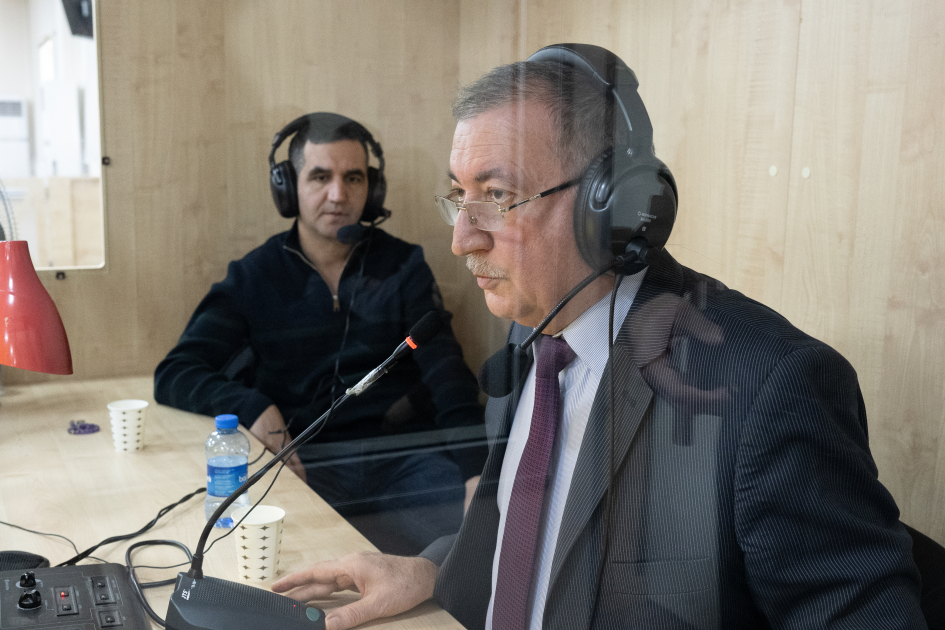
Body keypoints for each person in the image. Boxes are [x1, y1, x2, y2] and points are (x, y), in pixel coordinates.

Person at [270, 47, 927, 630]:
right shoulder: (536, 334)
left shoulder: (768, 388)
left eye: (496, 196)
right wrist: (432, 569)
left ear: (608, 203)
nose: (461, 238)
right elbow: (536, 533)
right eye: (458, 195)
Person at [154, 113, 486, 556]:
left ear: (373, 188)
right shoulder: (255, 276)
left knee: (463, 559)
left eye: (353, 178)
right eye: (320, 177)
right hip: (308, 464)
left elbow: (447, 373)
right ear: (287, 187)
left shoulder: (402, 266)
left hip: (403, 463)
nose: (338, 195)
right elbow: (175, 372)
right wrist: (253, 407)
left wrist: (476, 473)